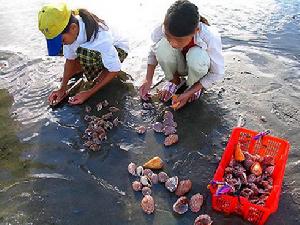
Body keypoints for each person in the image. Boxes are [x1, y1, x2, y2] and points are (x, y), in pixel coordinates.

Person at [38, 2, 129, 105]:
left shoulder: (101, 37)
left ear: (73, 28)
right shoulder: (71, 28)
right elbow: (70, 59)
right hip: (92, 47)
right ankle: (85, 68)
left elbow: (115, 69)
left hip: (118, 48)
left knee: (86, 55)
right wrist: (62, 88)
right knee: (66, 50)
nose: (63, 43)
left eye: (62, 40)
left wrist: (88, 93)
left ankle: (100, 71)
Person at [139, 0, 224, 110]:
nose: (173, 44)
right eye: (168, 37)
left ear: (196, 31)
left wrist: (189, 92)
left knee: (196, 56)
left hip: (197, 67)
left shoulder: (210, 37)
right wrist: (148, 79)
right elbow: (153, 52)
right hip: (179, 65)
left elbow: (217, 73)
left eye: (179, 41)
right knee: (161, 47)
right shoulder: (161, 29)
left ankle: (194, 86)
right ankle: (174, 81)